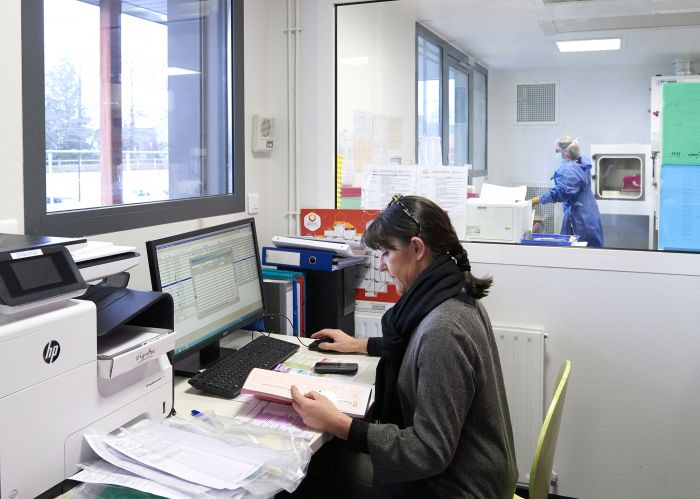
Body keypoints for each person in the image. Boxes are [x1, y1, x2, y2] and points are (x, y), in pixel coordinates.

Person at [288, 194, 518, 499]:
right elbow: (415, 347)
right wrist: (359, 344)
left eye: (386, 253)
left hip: (457, 488)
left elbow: (427, 450)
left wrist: (340, 424)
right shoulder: (453, 294)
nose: (382, 266)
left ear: (417, 248)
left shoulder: (443, 330)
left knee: (312, 472)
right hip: (475, 471)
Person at [531, 136, 604, 247]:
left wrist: (536, 200)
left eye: (557, 151)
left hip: (580, 217)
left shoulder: (570, 169)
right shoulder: (580, 164)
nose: (556, 154)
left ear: (565, 153)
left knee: (579, 253)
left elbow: (562, 191)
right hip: (588, 212)